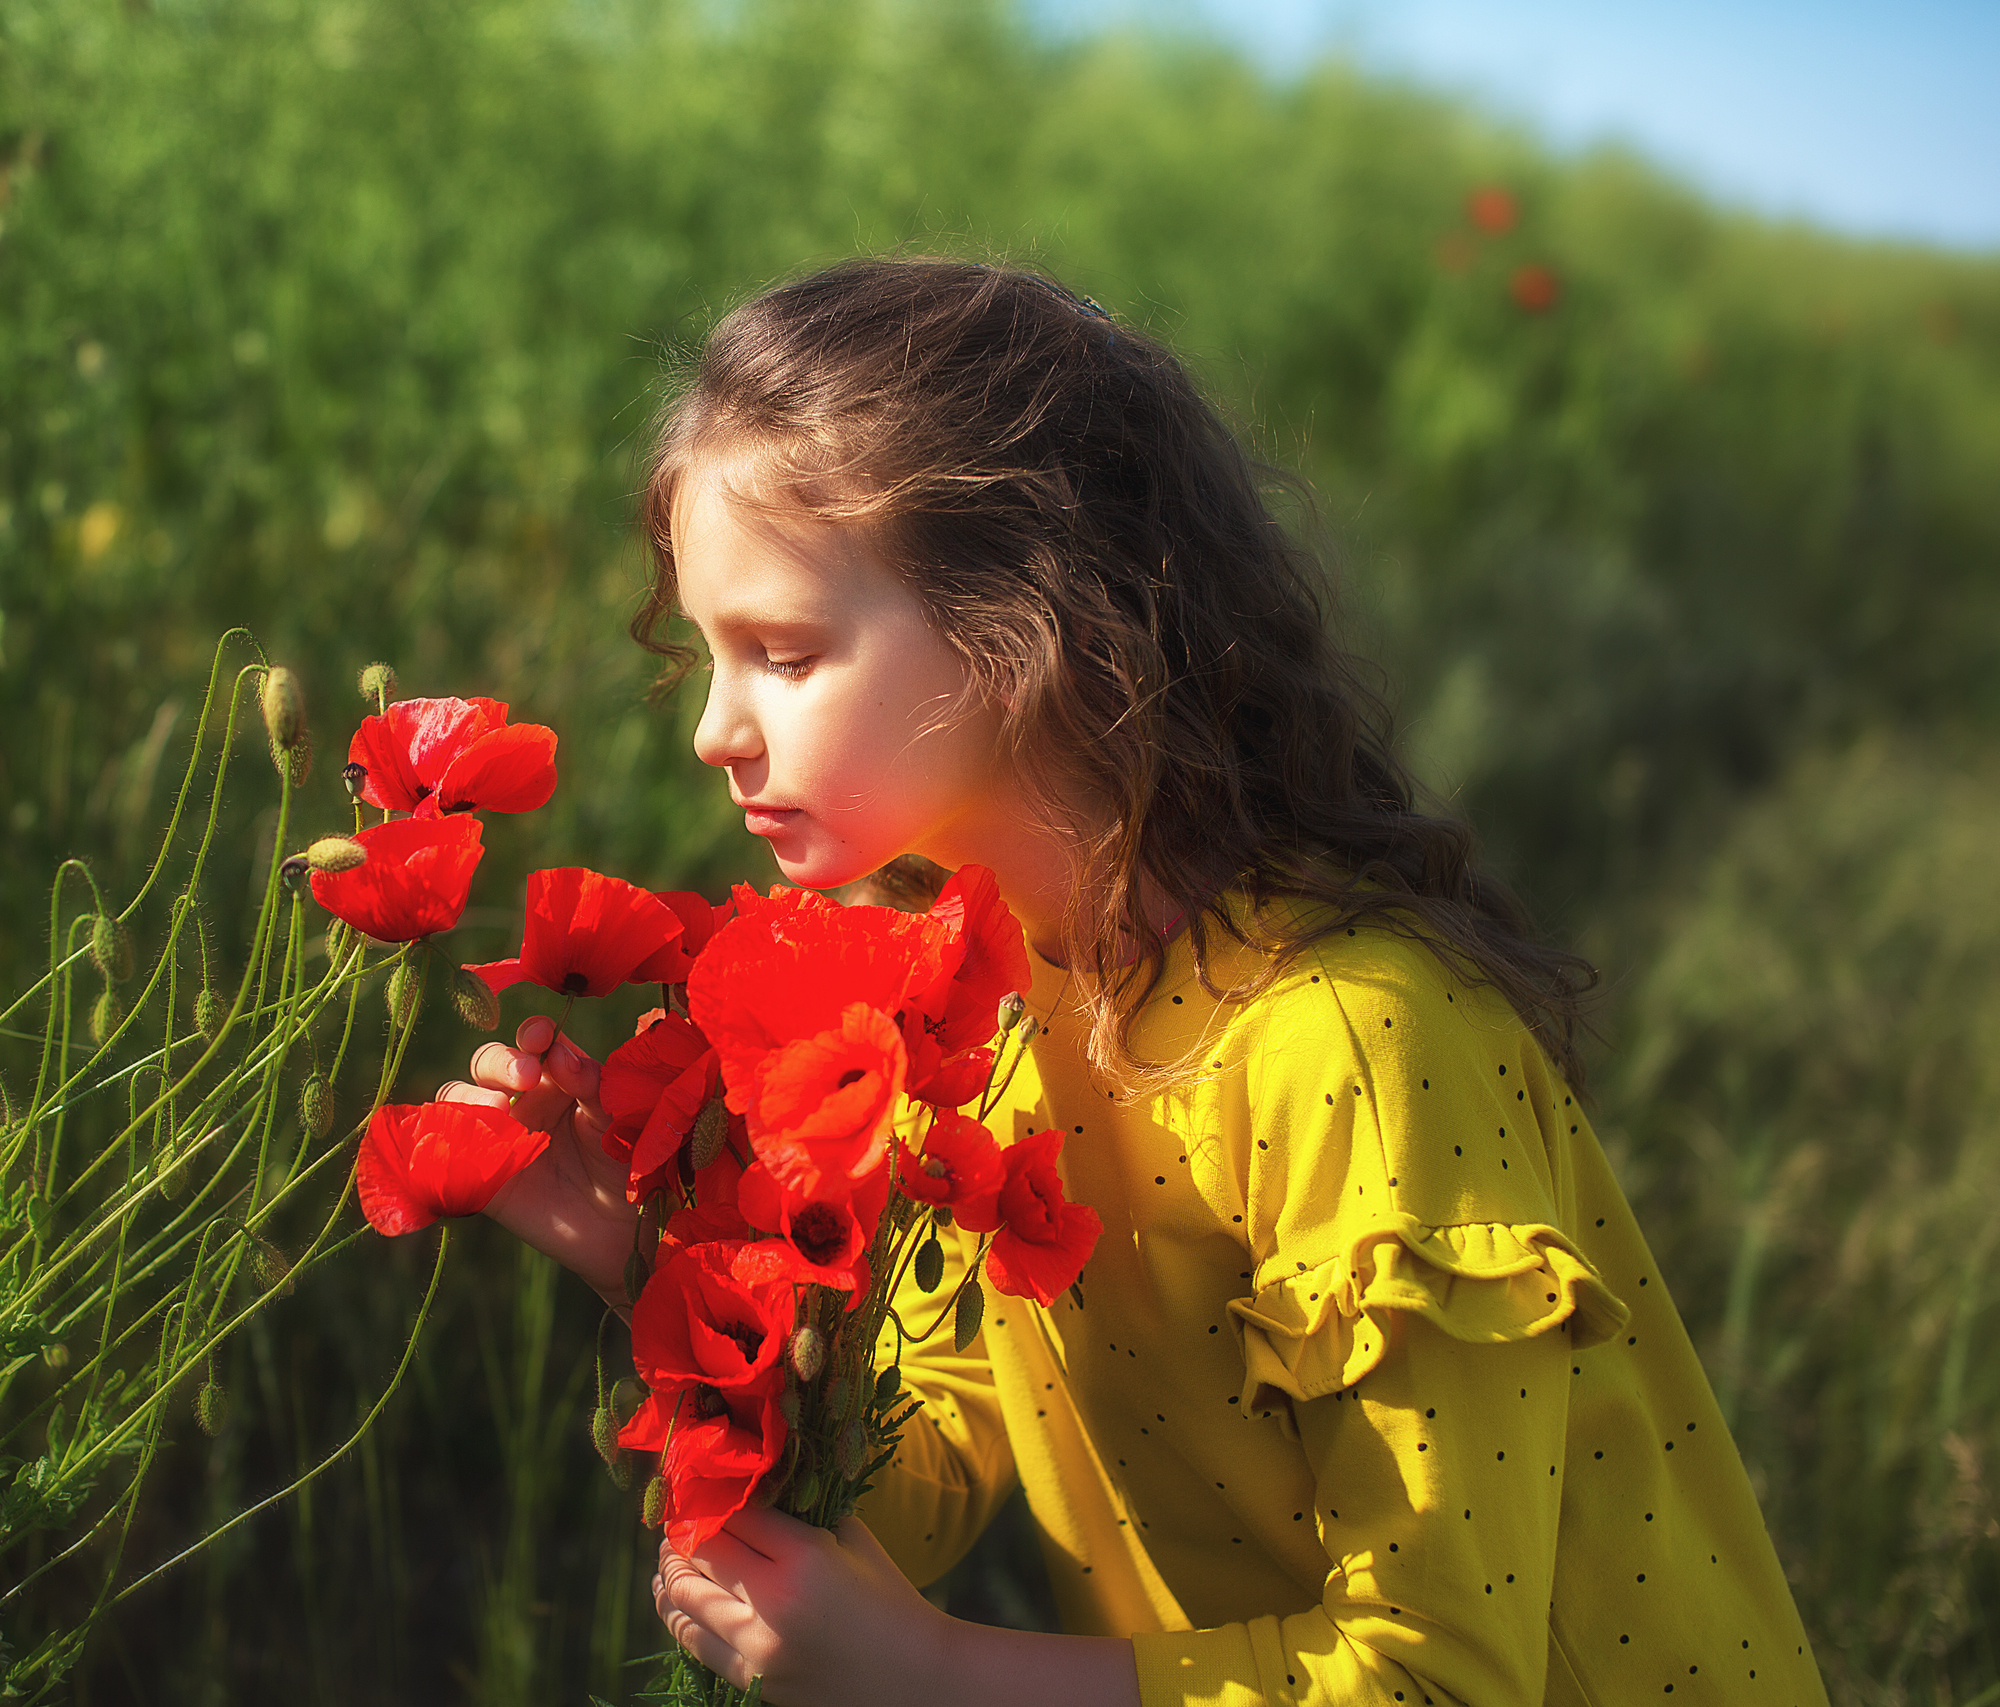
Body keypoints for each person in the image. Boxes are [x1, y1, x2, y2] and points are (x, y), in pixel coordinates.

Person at [440, 257, 1824, 1706]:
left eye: (783, 654)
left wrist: (929, 1673)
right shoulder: (979, 999)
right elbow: (920, 1485)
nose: (714, 730)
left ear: (1025, 617)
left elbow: (1441, 1682)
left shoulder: (1347, 1040)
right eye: (710, 656)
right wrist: (652, 1260)